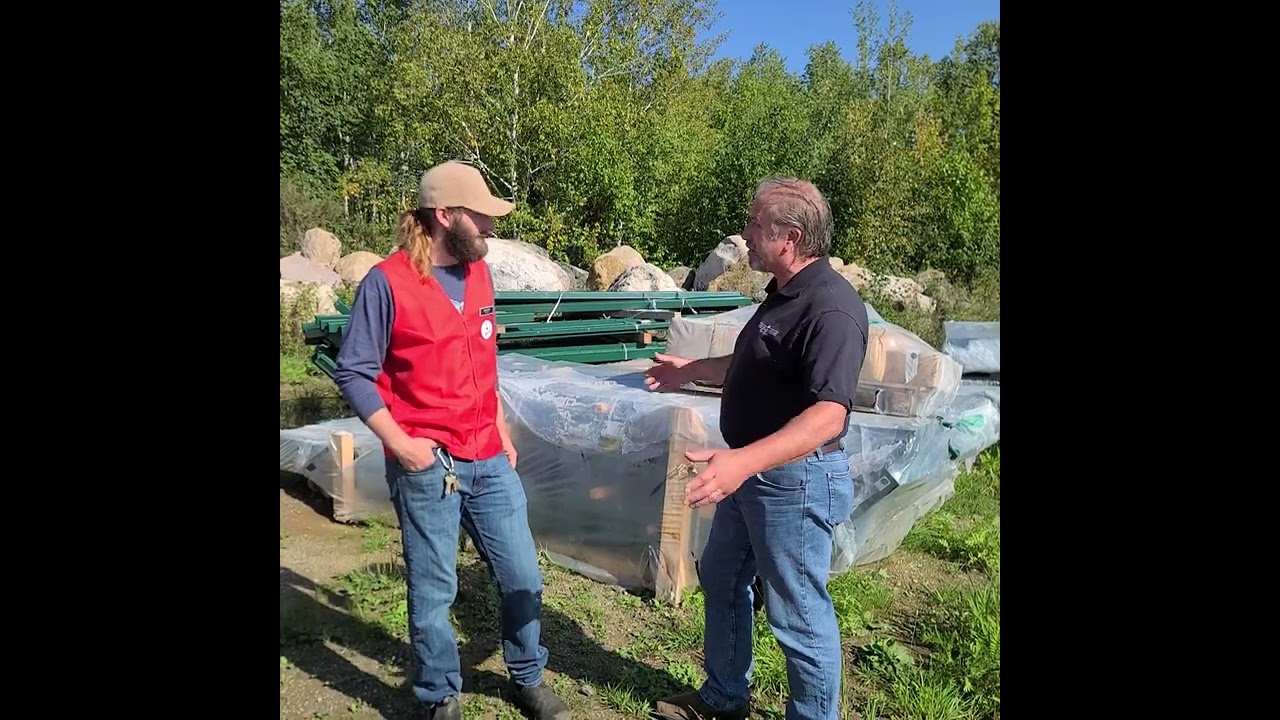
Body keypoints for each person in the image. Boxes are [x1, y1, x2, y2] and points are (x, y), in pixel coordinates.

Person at [332, 161, 573, 720]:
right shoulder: (387, 283)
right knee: (433, 589)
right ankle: (440, 694)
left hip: (488, 455)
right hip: (427, 464)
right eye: (481, 215)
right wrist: (403, 445)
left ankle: (527, 677)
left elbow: (483, 361)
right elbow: (354, 373)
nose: (491, 226)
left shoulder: (478, 274)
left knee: (522, 574)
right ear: (444, 215)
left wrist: (501, 427)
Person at [645, 177, 869, 720]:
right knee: (722, 575)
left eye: (755, 224)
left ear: (790, 238)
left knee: (798, 615)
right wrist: (690, 370)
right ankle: (724, 698)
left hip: (796, 480)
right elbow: (755, 362)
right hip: (754, 475)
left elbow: (828, 415)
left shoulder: (831, 309)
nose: (745, 234)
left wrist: (741, 462)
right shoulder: (785, 293)